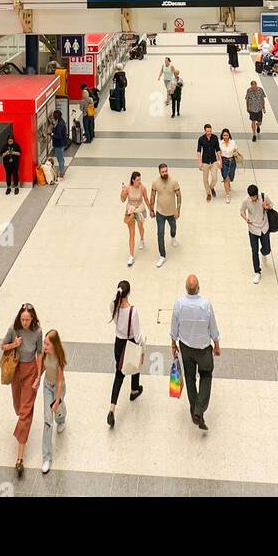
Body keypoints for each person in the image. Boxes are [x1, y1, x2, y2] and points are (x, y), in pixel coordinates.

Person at [170, 274, 220, 430]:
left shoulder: (179, 304)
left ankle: (195, 411)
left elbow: (174, 326)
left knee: (190, 378)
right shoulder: (206, 305)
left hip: (186, 348)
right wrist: (217, 344)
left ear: (186, 288)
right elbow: (213, 327)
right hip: (203, 349)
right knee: (206, 375)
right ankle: (199, 410)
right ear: (198, 288)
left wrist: (173, 344)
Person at [1, 303, 42, 476]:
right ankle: (23, 423)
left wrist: (39, 376)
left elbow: (40, 353)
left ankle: (19, 458)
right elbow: (3, 346)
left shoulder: (38, 332)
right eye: (22, 319)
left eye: (27, 319)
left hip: (30, 369)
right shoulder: (13, 329)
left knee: (25, 413)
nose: (24, 322)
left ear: (32, 318)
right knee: (18, 408)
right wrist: (14, 344)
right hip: (16, 369)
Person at [107, 281, 144, 427]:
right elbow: (137, 334)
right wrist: (143, 348)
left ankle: (112, 408)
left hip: (118, 343)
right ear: (128, 293)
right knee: (135, 364)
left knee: (119, 374)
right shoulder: (132, 311)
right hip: (131, 342)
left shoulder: (113, 305)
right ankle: (134, 390)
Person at [40, 330, 67, 475]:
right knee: (47, 420)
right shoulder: (45, 353)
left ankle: (62, 418)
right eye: (44, 343)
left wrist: (57, 400)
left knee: (58, 411)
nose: (44, 346)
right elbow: (42, 366)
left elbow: (60, 380)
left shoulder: (59, 358)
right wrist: (37, 379)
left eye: (47, 344)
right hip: (47, 386)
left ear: (54, 345)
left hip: (58, 388)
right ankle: (46, 458)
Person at [148, 163, 181, 268]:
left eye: (166, 171)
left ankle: (173, 236)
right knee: (160, 234)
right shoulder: (155, 183)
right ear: (159, 172)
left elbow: (179, 196)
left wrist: (178, 210)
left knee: (173, 228)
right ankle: (162, 255)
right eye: (163, 172)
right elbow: (152, 196)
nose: (165, 173)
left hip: (171, 213)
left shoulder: (174, 182)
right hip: (160, 213)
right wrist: (151, 209)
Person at [239, 183, 272, 283]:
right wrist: (246, 219)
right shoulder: (246, 201)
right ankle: (257, 272)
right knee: (254, 251)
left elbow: (271, 205)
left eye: (255, 196)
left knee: (267, 249)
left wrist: (266, 207)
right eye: (251, 197)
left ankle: (264, 253)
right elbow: (241, 211)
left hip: (264, 227)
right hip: (253, 229)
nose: (253, 198)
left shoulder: (264, 197)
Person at [120, 170, 148, 266]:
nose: (139, 182)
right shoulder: (128, 188)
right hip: (131, 210)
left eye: (140, 180)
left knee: (141, 227)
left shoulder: (143, 188)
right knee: (131, 233)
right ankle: (131, 256)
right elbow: (123, 200)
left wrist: (151, 210)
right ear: (133, 180)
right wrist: (123, 192)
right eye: (137, 180)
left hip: (139, 209)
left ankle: (142, 239)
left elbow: (146, 199)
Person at [197, 123, 220, 202]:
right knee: (205, 179)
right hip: (205, 162)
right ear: (204, 131)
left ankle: (211, 187)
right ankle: (209, 193)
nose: (209, 132)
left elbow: (218, 150)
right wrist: (200, 163)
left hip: (213, 161)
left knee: (215, 178)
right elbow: (199, 152)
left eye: (210, 131)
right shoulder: (201, 139)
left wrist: (220, 160)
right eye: (207, 131)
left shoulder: (215, 138)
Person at [219, 128, 238, 203]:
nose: (225, 136)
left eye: (227, 135)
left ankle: (228, 184)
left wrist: (235, 152)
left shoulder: (233, 142)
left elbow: (236, 149)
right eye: (224, 135)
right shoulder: (220, 143)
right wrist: (219, 161)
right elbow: (218, 152)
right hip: (224, 161)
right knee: (225, 177)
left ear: (229, 135)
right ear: (222, 135)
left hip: (232, 161)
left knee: (231, 177)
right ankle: (227, 194)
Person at [245, 78, 267, 143]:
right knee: (253, 121)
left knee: (260, 122)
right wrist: (247, 107)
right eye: (252, 87)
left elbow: (263, 99)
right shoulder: (249, 91)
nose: (253, 88)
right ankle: (254, 134)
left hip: (259, 109)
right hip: (252, 109)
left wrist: (263, 107)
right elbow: (247, 99)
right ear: (251, 86)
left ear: (256, 85)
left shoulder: (260, 90)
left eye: (255, 86)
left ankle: (258, 126)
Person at [51, 109, 68, 177]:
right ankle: (62, 171)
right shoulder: (61, 121)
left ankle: (61, 173)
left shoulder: (60, 125)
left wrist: (52, 134)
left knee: (60, 158)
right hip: (62, 143)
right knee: (61, 158)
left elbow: (58, 136)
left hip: (59, 144)